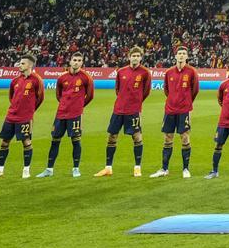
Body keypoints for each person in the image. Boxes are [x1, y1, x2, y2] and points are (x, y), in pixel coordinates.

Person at [96, 46, 151, 177]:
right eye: (133, 56)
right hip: (118, 109)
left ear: (141, 58)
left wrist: (136, 102)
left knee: (137, 137)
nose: (135, 58)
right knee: (112, 136)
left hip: (134, 110)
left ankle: (137, 167)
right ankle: (108, 167)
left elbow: (146, 92)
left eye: (138, 56)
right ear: (129, 57)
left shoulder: (145, 73)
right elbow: (117, 90)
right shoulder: (121, 71)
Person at [0, 54, 43, 179]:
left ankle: (26, 170)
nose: (19, 65)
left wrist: (29, 110)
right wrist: (15, 108)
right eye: (20, 63)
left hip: (25, 117)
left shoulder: (36, 79)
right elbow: (12, 97)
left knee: (26, 141)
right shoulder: (15, 80)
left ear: (30, 65)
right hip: (11, 116)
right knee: (4, 142)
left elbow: (40, 98)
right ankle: (0, 170)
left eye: (22, 63)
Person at [36, 51, 93, 178]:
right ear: (70, 61)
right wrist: (64, 105)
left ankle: (76, 169)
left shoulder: (86, 77)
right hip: (61, 114)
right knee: (55, 141)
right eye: (74, 60)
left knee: (76, 141)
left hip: (75, 115)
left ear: (82, 63)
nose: (76, 62)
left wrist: (79, 106)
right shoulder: (62, 78)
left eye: (79, 60)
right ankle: (49, 169)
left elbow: (90, 96)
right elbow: (58, 95)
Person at [151, 46, 198, 178]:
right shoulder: (169, 72)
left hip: (184, 110)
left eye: (184, 53)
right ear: (175, 56)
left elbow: (195, 90)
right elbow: (166, 90)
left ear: (187, 56)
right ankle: (164, 169)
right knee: (167, 138)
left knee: (184, 137)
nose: (181, 55)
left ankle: (186, 169)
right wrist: (173, 100)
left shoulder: (192, 72)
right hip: (170, 110)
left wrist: (186, 101)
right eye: (179, 53)